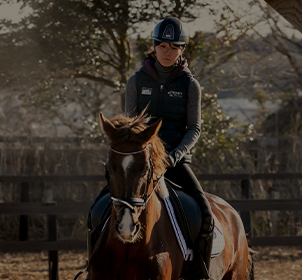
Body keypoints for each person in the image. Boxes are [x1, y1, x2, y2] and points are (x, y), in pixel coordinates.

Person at [89, 17, 213, 279]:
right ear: (154, 47)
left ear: (182, 50)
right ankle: (94, 269)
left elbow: (194, 128)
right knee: (96, 211)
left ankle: (199, 273)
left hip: (174, 161)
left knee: (205, 215)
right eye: (163, 46)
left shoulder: (191, 85)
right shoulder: (136, 81)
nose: (167, 52)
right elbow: (130, 126)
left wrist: (174, 156)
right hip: (137, 162)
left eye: (174, 47)